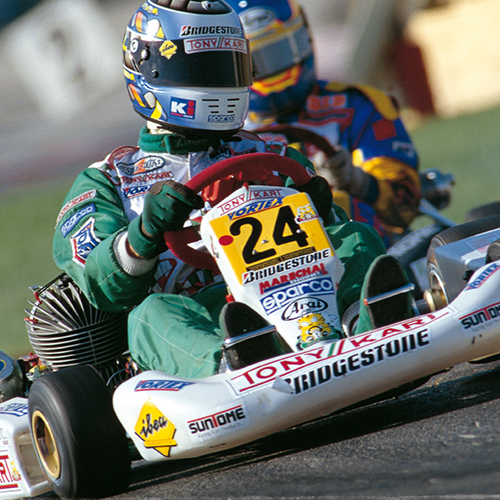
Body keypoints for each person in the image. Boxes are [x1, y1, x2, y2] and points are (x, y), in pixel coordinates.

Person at [52, 0, 412, 379]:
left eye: (230, 68)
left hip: (304, 290)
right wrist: (144, 234)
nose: (221, 82)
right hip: (203, 314)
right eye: (205, 69)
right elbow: (102, 289)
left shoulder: (269, 153)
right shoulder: (110, 179)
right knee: (148, 315)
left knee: (357, 237)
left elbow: (335, 238)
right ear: (150, 71)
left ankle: (364, 325)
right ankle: (234, 361)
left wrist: (319, 210)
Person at [225, 0, 422, 247]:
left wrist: (356, 180)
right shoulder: (221, 131)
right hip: (265, 260)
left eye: (278, 52)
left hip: (370, 255)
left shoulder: (357, 106)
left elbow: (406, 205)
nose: (270, 71)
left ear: (304, 39)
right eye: (252, 63)